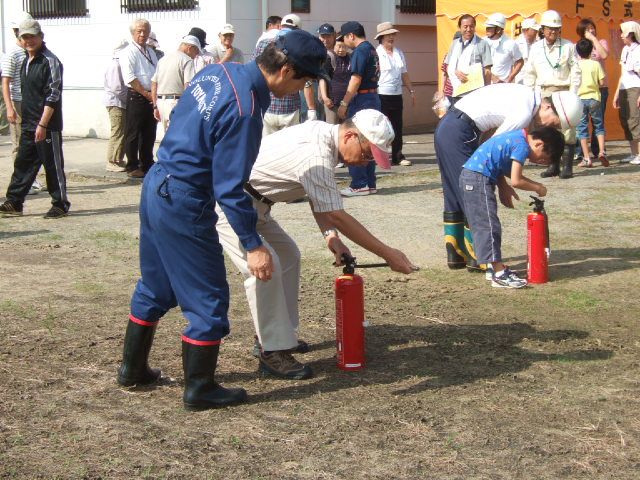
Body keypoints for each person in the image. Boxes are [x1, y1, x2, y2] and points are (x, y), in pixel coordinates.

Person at [116, 29, 329, 411]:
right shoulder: (247, 108)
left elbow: (180, 115)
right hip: (185, 198)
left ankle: (132, 369)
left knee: (156, 285)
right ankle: (200, 388)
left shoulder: (218, 71)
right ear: (286, 70)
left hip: (158, 182)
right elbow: (230, 188)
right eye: (305, 79)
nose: (302, 88)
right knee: (209, 299)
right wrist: (253, 245)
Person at [216, 109, 417, 379]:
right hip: (230, 204)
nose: (366, 162)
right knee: (266, 266)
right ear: (350, 135)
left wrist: (331, 237)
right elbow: (336, 213)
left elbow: (319, 199)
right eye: (368, 153)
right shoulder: (317, 153)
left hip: (255, 205)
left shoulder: (325, 138)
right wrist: (388, 253)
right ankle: (270, 350)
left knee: (288, 256)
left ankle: (280, 335)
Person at [434, 83, 581, 272]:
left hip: (449, 126)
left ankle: (456, 254)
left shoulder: (525, 94)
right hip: (461, 133)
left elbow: (490, 141)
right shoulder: (524, 113)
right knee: (473, 196)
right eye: (552, 122)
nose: (546, 127)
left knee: (455, 191)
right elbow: (491, 150)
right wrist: (502, 185)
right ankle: (479, 258)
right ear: (547, 106)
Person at [460, 127, 564, 288]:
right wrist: (538, 187)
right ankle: (499, 273)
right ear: (539, 144)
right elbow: (517, 180)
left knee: (486, 224)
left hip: (475, 178)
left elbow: (502, 164)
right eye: (544, 159)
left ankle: (492, 268)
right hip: (477, 179)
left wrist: (504, 188)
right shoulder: (522, 145)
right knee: (488, 226)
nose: (541, 162)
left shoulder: (518, 137)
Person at [0, 19, 69, 219]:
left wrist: (43, 123)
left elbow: (53, 94)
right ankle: (14, 201)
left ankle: (60, 203)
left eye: (32, 36)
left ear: (41, 36)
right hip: (29, 121)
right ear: (20, 40)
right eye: (24, 37)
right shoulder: (24, 60)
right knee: (23, 162)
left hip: (47, 124)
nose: (28, 40)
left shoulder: (50, 61)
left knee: (52, 165)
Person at [523, 9, 581, 179]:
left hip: (564, 91)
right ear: (542, 29)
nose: (552, 32)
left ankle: (568, 167)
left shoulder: (569, 46)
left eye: (556, 29)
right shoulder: (535, 48)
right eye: (549, 28)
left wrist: (573, 94)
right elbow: (530, 73)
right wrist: (530, 94)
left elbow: (576, 71)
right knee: (547, 132)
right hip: (544, 92)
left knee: (568, 130)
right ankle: (553, 165)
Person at [2, 11, 45, 195]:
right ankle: (23, 180)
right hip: (19, 102)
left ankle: (31, 177)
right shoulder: (13, 53)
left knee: (34, 142)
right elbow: (6, 81)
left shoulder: (32, 52)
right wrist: (10, 107)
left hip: (33, 102)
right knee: (19, 143)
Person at [335, 21, 381, 196]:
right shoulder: (371, 49)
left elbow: (355, 80)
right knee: (370, 140)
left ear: (351, 36)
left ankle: (359, 184)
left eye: (344, 38)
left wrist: (344, 103)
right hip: (373, 96)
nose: (344, 42)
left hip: (361, 98)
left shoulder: (359, 51)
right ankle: (370, 183)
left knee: (356, 140)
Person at [253, 13, 315, 136]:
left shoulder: (263, 43)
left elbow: (256, 72)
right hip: (290, 107)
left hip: (267, 106)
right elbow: (306, 80)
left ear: (281, 26)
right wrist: (311, 108)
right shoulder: (300, 47)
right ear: (298, 30)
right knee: (289, 150)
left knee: (266, 148)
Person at [120, 18, 158, 179]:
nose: (142, 34)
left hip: (151, 93)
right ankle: (132, 165)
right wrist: (147, 94)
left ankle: (147, 162)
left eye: (145, 31)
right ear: (133, 33)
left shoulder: (150, 51)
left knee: (149, 132)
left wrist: (154, 94)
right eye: (139, 31)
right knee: (133, 132)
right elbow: (130, 78)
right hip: (137, 95)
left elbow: (157, 71)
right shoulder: (128, 52)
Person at [375, 22, 415, 167]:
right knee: (382, 127)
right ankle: (381, 157)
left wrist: (411, 90)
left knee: (397, 126)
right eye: (388, 35)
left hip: (397, 94)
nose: (391, 37)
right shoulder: (376, 53)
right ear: (381, 37)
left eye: (393, 35)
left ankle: (398, 155)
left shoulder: (399, 52)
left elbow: (404, 73)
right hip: (381, 94)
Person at [151, 35, 200, 133]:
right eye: (196, 52)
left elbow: (154, 83)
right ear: (190, 48)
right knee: (178, 137)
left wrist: (155, 106)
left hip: (161, 103)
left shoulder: (163, 59)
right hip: (175, 102)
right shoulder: (187, 60)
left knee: (167, 138)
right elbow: (188, 86)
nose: (196, 55)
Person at [576, 18, 609, 159]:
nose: (591, 30)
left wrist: (593, 39)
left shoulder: (601, 42)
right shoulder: (577, 46)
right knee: (581, 123)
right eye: (588, 29)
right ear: (581, 32)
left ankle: (597, 151)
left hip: (601, 89)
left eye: (592, 28)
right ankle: (581, 152)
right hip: (582, 91)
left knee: (597, 122)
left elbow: (604, 55)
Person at [444, 14, 492, 103]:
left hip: (475, 93)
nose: (468, 30)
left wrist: (486, 91)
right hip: (456, 91)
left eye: (471, 26)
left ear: (475, 27)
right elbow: (448, 66)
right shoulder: (454, 44)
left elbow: (487, 71)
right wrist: (455, 72)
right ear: (460, 27)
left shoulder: (482, 44)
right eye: (465, 27)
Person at [614, 21, 640, 164]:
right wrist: (617, 92)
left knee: (635, 120)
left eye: (623, 32)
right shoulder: (625, 50)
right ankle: (633, 153)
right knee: (625, 119)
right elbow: (622, 73)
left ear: (631, 33)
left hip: (636, 87)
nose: (621, 35)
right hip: (624, 87)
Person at [103, 39, 129, 172]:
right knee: (117, 131)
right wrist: (128, 99)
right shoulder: (116, 65)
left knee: (122, 130)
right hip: (116, 102)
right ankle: (112, 161)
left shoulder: (119, 64)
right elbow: (117, 88)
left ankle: (118, 159)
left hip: (119, 102)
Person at [485, 13, 523, 84]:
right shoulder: (483, 42)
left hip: (503, 86)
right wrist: (493, 77)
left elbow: (520, 62)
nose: (487, 30)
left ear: (498, 29)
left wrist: (510, 78)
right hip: (485, 85)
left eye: (490, 28)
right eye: (487, 27)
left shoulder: (510, 44)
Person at [514, 18, 540, 84]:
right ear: (526, 30)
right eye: (534, 29)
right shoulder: (516, 44)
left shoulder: (539, 43)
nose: (536, 31)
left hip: (536, 79)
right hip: (520, 79)